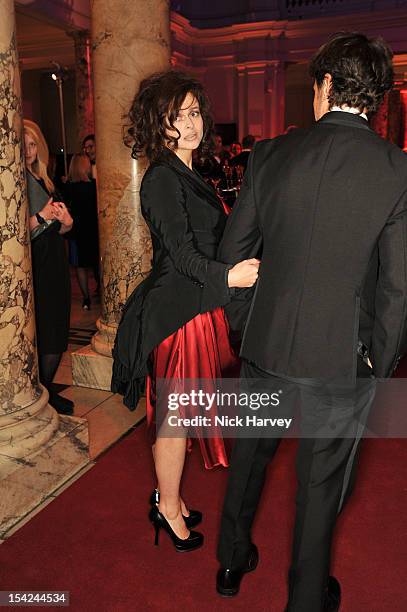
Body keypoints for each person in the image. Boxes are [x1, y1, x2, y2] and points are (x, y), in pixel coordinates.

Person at [215, 32, 407, 611]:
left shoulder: (271, 155)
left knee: (249, 458)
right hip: (340, 356)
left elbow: (234, 255)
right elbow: (398, 287)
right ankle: (305, 599)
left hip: (265, 343)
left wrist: (249, 326)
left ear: (323, 86)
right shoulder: (398, 170)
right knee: (320, 489)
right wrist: (378, 362)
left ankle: (229, 561)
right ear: (375, 98)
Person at [111, 70, 259, 553]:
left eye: (193, 113)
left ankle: (167, 496)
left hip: (196, 309)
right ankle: (168, 508)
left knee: (182, 414)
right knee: (175, 419)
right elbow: (181, 255)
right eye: (176, 117)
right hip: (177, 316)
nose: (189, 125)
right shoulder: (160, 177)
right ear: (159, 124)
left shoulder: (188, 171)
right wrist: (229, 277)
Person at [24, 120, 74, 416]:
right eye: (22, 144)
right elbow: (15, 233)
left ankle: (45, 388)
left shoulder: (43, 178)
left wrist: (66, 223)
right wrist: (43, 216)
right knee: (47, 328)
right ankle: (41, 392)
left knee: (57, 325)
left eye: (32, 144)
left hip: (55, 258)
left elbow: (61, 227)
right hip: (36, 263)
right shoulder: (14, 180)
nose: (28, 150)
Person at [64, 154, 100, 310]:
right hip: (93, 231)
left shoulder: (68, 188)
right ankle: (105, 295)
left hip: (76, 232)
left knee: (80, 266)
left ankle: (86, 299)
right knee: (97, 264)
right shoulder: (94, 186)